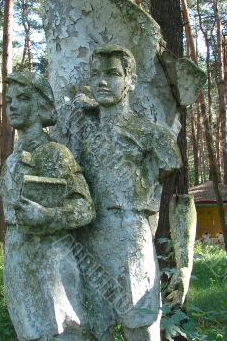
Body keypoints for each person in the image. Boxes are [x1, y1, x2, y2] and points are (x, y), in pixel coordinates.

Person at [69, 45, 192, 341]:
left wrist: (184, 260)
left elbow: (179, 198)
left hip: (130, 239)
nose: (101, 82)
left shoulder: (152, 136)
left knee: (141, 325)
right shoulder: (79, 131)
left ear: (130, 80)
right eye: (95, 74)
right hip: (87, 242)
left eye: (112, 74)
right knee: (94, 329)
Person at [0, 72, 96, 341]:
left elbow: (85, 207)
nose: (13, 106)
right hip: (19, 260)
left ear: (41, 105)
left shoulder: (56, 154)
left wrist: (48, 215)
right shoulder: (10, 162)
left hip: (52, 262)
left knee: (63, 332)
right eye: (9, 100)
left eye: (22, 98)